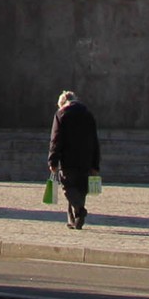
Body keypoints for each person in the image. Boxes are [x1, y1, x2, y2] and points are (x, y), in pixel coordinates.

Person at [48, 89, 99, 229]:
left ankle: (80, 212)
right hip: (86, 159)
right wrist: (95, 164)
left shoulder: (61, 114)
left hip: (68, 159)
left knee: (68, 186)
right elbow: (95, 140)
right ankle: (75, 221)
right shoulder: (88, 115)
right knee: (80, 189)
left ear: (63, 103)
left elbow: (56, 139)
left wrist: (53, 160)